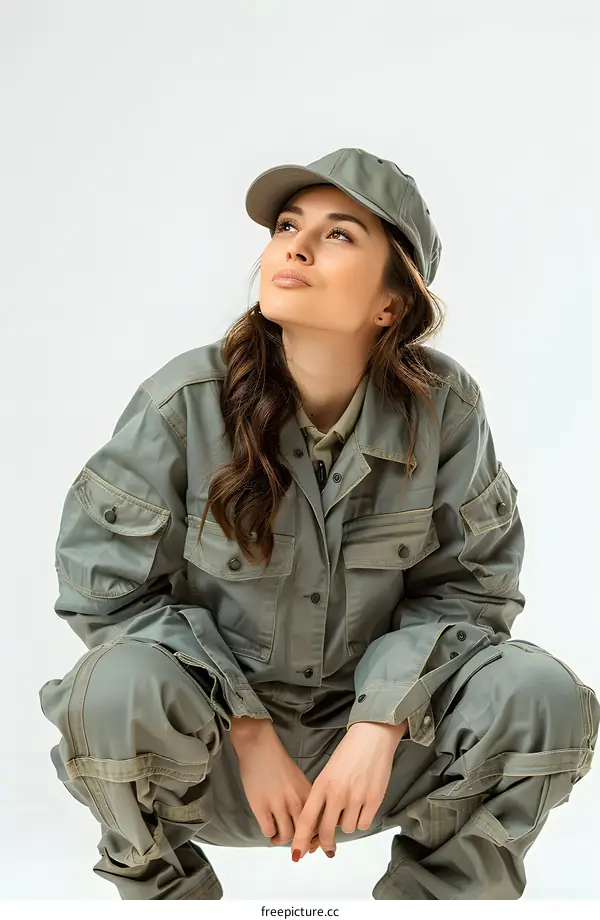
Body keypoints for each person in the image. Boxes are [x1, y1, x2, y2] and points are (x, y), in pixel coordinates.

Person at [39, 147, 598, 901]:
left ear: (390, 304)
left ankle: (433, 910)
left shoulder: (445, 411)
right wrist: (244, 724)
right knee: (110, 688)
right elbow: (105, 596)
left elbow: (472, 592)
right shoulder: (185, 403)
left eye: (338, 235)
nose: (294, 246)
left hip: (372, 765)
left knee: (542, 694)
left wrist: (380, 724)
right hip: (215, 765)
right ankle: (170, 905)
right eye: (287, 226)